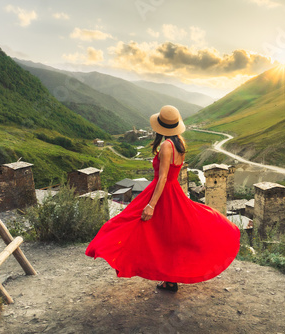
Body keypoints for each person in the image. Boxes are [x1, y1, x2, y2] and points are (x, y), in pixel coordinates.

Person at [85, 105, 240, 293]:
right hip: (173, 191)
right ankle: (169, 280)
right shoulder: (180, 143)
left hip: (162, 192)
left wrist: (151, 204)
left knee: (127, 223)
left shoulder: (167, 146)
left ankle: (125, 259)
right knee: (166, 236)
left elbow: (164, 177)